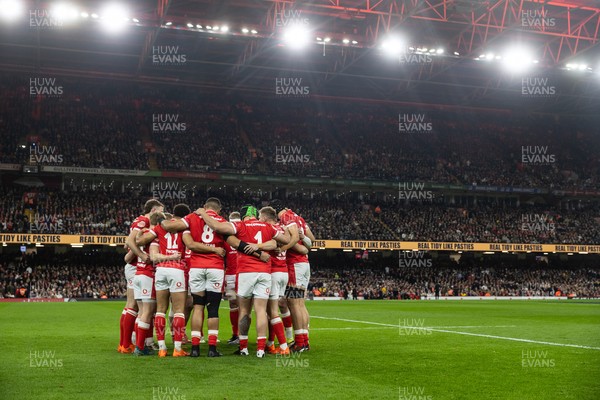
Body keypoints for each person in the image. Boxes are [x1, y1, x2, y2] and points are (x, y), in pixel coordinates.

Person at [197, 204, 288, 358]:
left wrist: (203, 214)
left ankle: (244, 348)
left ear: (243, 215)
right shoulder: (267, 227)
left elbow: (217, 227)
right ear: (255, 215)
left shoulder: (240, 225)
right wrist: (265, 246)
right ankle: (260, 350)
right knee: (261, 311)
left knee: (244, 310)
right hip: (264, 272)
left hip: (246, 272)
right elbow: (284, 239)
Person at [118, 199, 164, 354]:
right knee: (135, 307)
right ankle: (128, 344)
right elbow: (130, 242)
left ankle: (133, 343)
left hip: (135, 268)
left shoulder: (139, 221)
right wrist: (141, 255)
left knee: (136, 308)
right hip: (138, 268)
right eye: (161, 211)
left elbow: (127, 245)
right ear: (154, 210)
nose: (162, 215)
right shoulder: (144, 221)